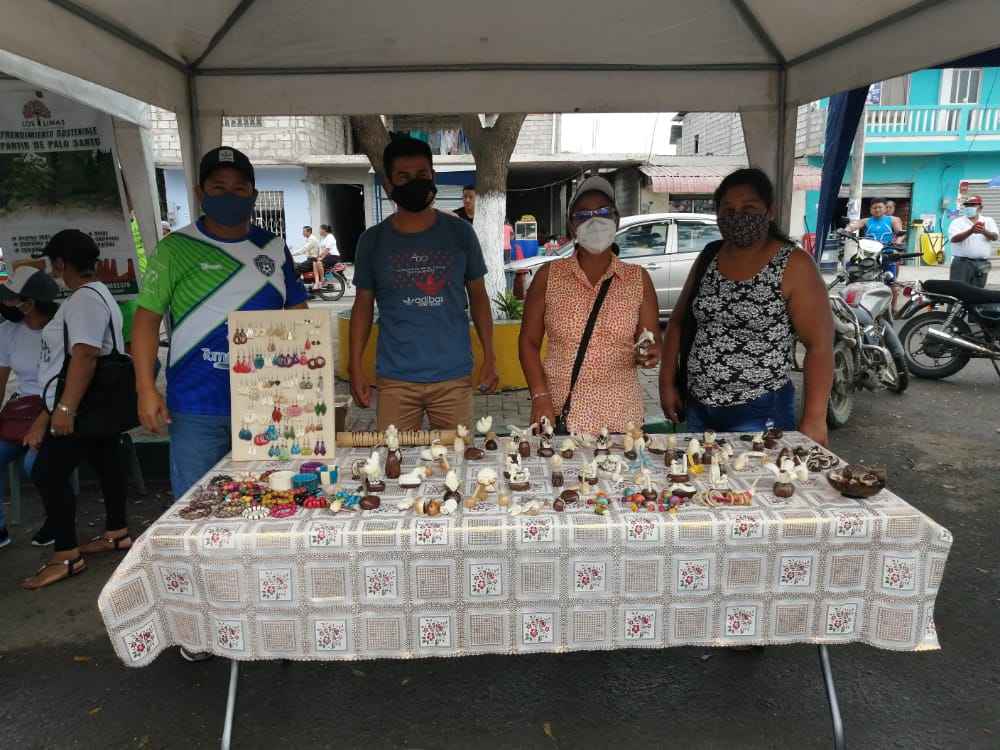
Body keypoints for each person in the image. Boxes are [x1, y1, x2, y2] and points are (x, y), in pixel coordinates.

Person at [132, 146, 309, 499]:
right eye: (219, 187)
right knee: (197, 507)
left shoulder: (274, 248)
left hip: (268, 403)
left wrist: (306, 385)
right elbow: (146, 322)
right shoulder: (175, 248)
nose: (230, 195)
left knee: (270, 504)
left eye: (240, 188)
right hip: (197, 406)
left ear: (253, 195)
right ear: (201, 193)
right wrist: (146, 389)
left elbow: (299, 315)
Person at [659, 168, 834, 446]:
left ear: (770, 211)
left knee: (757, 474)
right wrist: (666, 383)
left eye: (749, 208)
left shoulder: (793, 264)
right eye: (728, 209)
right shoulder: (710, 256)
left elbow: (819, 345)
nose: (737, 216)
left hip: (759, 408)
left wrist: (814, 418)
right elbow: (678, 321)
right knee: (703, 473)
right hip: (699, 405)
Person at [349, 136, 498, 430]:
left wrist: (490, 356)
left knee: (457, 457)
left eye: (421, 174)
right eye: (403, 177)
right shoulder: (372, 241)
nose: (414, 182)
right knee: (395, 458)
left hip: (453, 377)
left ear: (433, 176)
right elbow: (362, 306)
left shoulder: (461, 234)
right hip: (395, 380)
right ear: (389, 183)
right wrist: (354, 365)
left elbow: (479, 298)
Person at [22, 230, 132, 588]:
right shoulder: (97, 294)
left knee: (47, 472)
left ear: (61, 263)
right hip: (96, 401)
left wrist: (65, 408)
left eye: (52, 262)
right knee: (107, 460)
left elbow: (85, 354)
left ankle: (66, 556)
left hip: (82, 403)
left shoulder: (84, 299)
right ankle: (116, 532)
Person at [519, 176, 661, 435]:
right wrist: (539, 395)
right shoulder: (549, 276)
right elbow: (528, 343)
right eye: (583, 215)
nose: (595, 221)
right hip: (561, 415)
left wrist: (649, 353)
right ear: (572, 226)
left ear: (617, 219)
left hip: (621, 418)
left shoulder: (637, 279)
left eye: (604, 212)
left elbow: (649, 339)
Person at [0, 268, 59, 548]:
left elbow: (71, 385)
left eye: (9, 298)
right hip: (21, 413)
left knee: (34, 464)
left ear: (29, 303)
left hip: (58, 411)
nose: (4, 303)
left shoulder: (61, 331)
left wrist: (45, 419)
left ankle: (58, 520)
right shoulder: (7, 332)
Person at [848, 197, 901, 307]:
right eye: (875, 208)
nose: (877, 210)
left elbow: (900, 233)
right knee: (850, 265)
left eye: (880, 207)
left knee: (891, 281)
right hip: (868, 253)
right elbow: (853, 227)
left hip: (887, 252)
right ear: (871, 210)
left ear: (885, 208)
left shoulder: (892, 220)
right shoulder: (866, 221)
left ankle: (894, 307)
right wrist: (845, 230)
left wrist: (898, 242)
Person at [948, 195, 997, 289]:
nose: (969, 207)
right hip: (962, 263)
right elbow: (954, 239)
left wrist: (984, 231)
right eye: (967, 205)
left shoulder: (988, 221)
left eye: (973, 205)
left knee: (977, 291)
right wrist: (971, 231)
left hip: (981, 263)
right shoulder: (957, 222)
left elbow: (995, 237)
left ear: (980, 207)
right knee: (957, 290)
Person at [311, 223, 339, 291]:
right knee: (314, 262)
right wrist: (319, 256)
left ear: (324, 230)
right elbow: (324, 251)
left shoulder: (330, 237)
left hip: (333, 257)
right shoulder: (324, 238)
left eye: (320, 230)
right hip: (328, 256)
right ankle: (317, 282)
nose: (319, 231)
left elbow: (327, 250)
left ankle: (322, 280)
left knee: (319, 263)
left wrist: (321, 258)